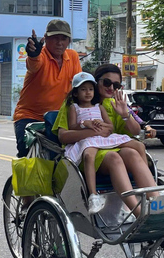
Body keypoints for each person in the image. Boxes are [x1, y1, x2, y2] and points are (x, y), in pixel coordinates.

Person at [55, 64, 158, 216]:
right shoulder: (74, 105)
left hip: (112, 147)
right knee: (113, 157)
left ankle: (156, 203)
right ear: (96, 82)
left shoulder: (113, 103)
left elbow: (135, 131)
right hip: (89, 153)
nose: (111, 88)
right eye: (107, 83)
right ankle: (138, 213)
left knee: (133, 153)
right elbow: (63, 135)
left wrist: (125, 114)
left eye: (116, 85)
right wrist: (92, 131)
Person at [13, 19, 82, 157]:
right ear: (46, 38)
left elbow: (79, 87)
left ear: (69, 41)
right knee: (27, 155)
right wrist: (33, 54)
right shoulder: (41, 55)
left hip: (58, 119)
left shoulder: (73, 57)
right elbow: (33, 64)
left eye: (63, 38)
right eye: (55, 38)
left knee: (67, 156)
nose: (59, 42)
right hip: (29, 116)